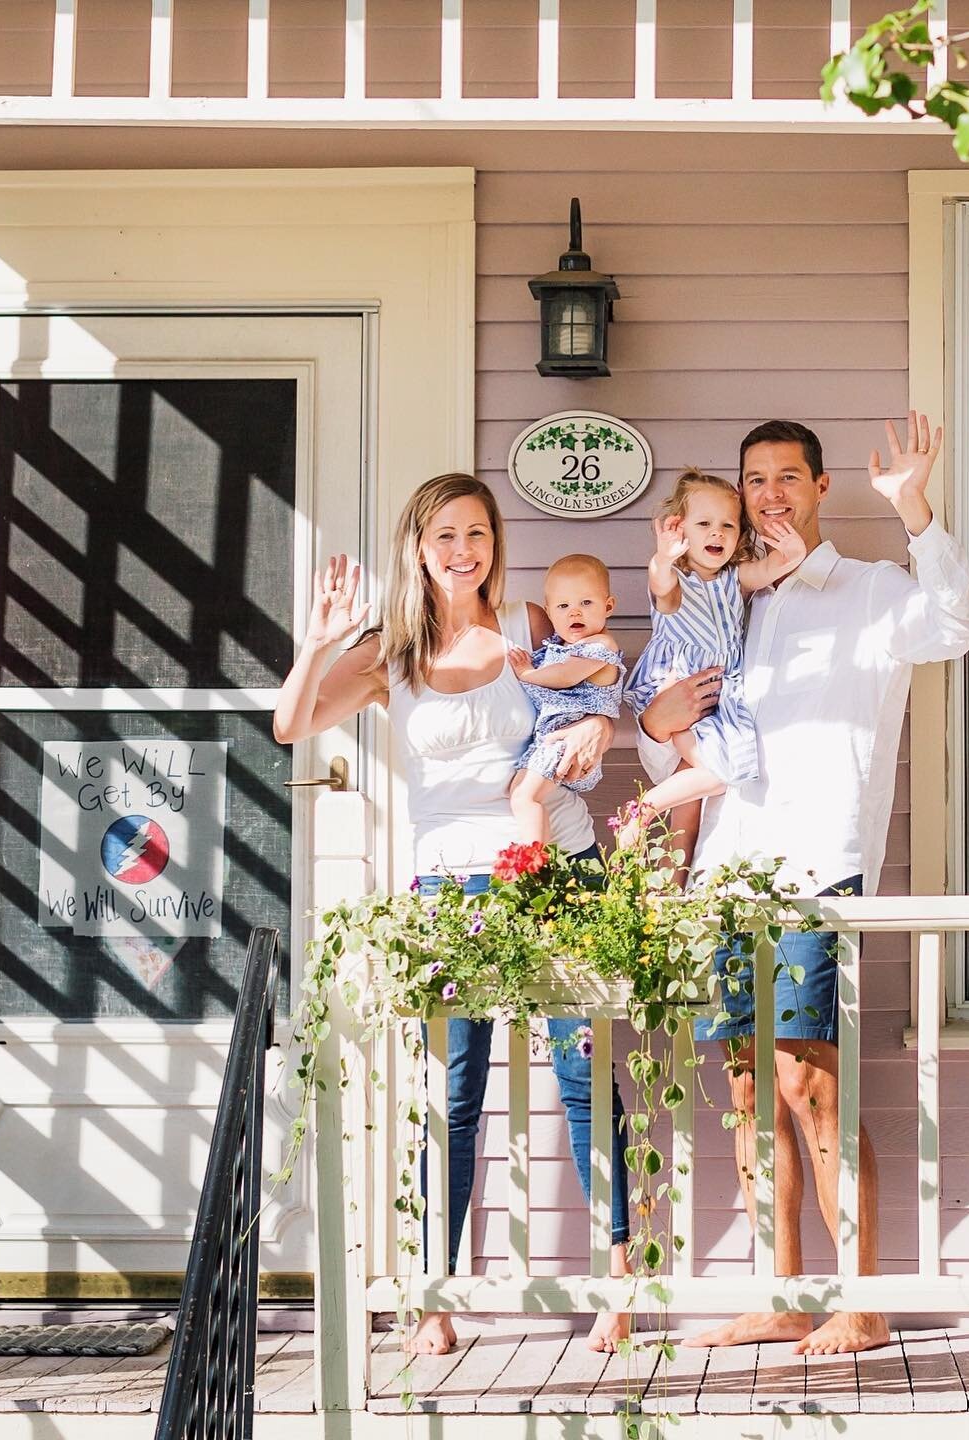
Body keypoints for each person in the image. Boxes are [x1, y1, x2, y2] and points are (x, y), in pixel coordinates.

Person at [635, 415, 969, 1356]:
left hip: (814, 869)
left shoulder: (872, 592)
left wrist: (915, 509)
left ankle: (862, 1303)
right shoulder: (728, 603)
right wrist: (656, 720)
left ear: (822, 488)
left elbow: (961, 621)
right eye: (755, 481)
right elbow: (678, 729)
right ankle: (782, 1293)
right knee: (754, 1092)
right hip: (726, 870)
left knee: (813, 1085)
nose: (769, 496)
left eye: (788, 477)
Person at [273, 473, 633, 1356]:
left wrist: (604, 731)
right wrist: (316, 643)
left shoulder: (528, 628)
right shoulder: (387, 652)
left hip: (555, 870)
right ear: (419, 548)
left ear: (494, 543)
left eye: (477, 532)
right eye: (445, 535)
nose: (463, 549)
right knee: (455, 1090)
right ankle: (432, 1292)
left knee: (582, 1075)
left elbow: (599, 689)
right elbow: (292, 726)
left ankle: (619, 1285)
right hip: (450, 892)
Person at [620, 469, 806, 866]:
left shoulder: (734, 579)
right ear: (680, 528)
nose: (716, 533)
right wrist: (663, 557)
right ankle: (643, 810)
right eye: (703, 524)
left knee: (691, 789)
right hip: (675, 685)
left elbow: (767, 570)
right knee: (719, 773)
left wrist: (791, 555)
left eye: (728, 525)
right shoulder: (676, 580)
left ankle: (670, 889)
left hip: (716, 698)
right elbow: (661, 589)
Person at [507, 553, 625, 845]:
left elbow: (565, 677)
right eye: (563, 606)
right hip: (551, 740)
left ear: (608, 606)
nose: (575, 613)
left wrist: (526, 673)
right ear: (549, 612)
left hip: (568, 743)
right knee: (521, 793)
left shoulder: (600, 645)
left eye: (586, 603)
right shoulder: (560, 646)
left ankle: (534, 864)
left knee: (524, 797)